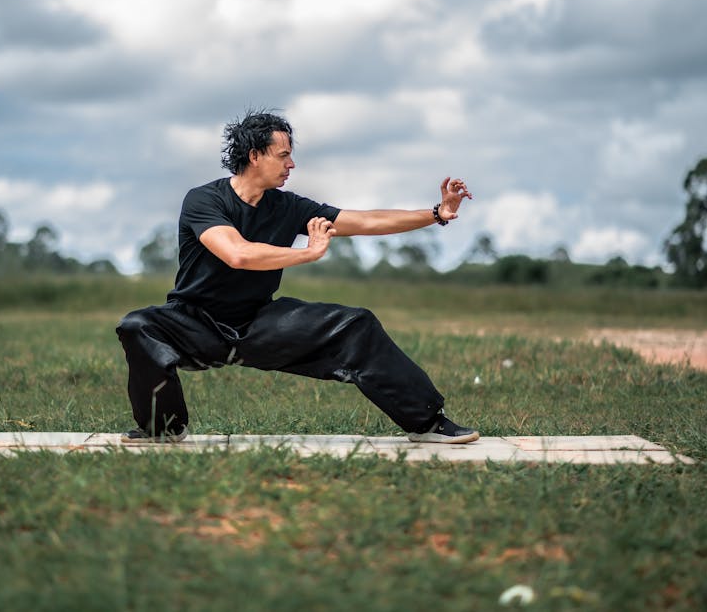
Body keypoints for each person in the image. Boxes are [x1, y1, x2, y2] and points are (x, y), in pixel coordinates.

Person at [116, 109, 479, 444]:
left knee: (356, 325)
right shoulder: (204, 200)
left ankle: (429, 423)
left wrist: (437, 213)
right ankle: (162, 428)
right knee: (138, 326)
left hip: (258, 322)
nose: (292, 164)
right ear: (254, 155)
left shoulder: (289, 206)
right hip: (195, 323)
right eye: (283, 155)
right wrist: (307, 253)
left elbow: (365, 221)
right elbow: (237, 253)